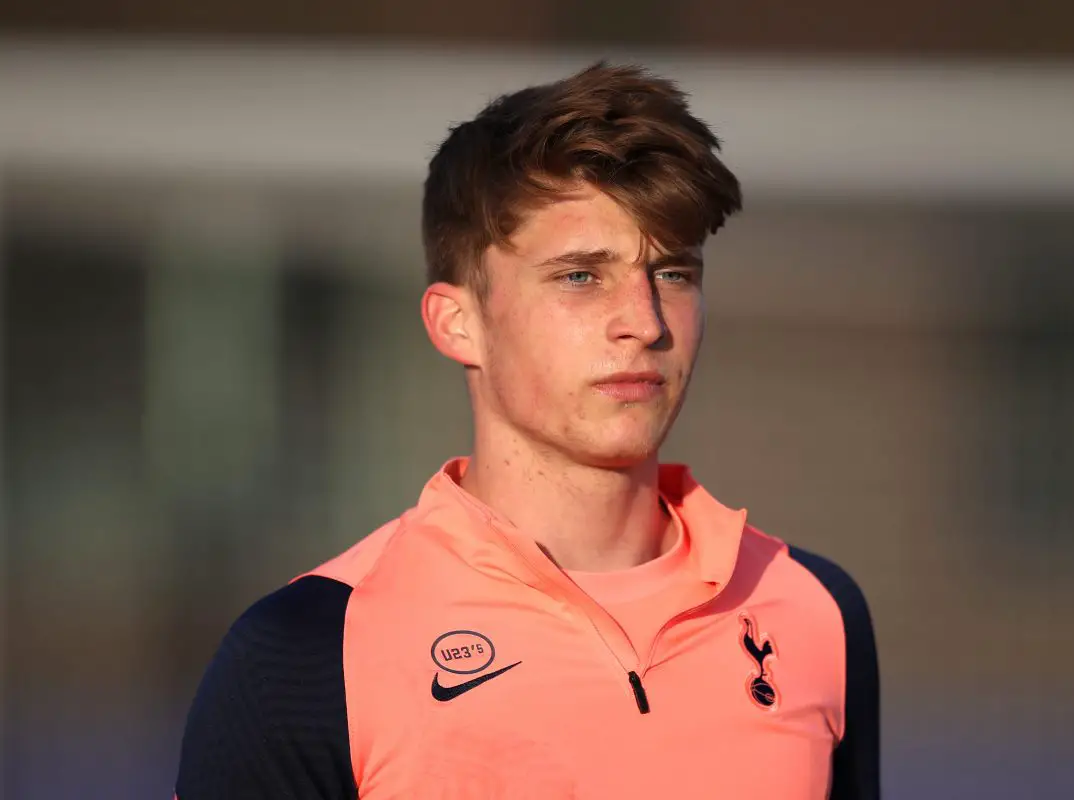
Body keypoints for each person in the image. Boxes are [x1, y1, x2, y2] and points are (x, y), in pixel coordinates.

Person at [174, 61, 880, 799]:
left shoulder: (812, 609)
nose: (643, 322)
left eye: (673, 274)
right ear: (458, 323)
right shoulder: (308, 651)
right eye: (581, 276)